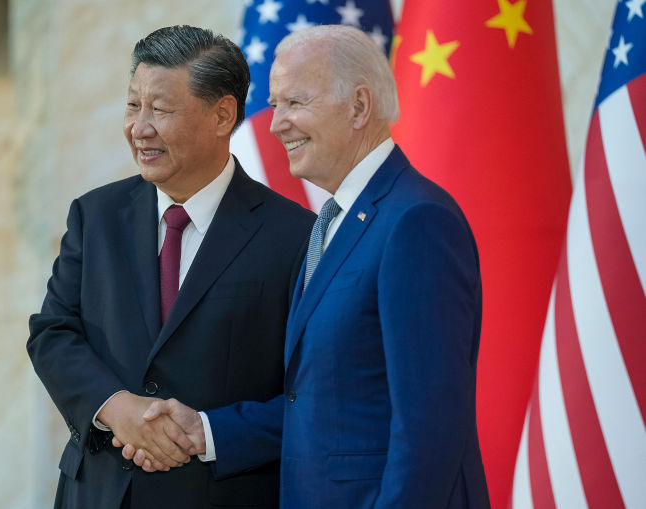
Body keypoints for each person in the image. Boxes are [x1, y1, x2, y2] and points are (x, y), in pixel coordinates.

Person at [125, 25, 491, 508]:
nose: (275, 124)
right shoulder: (331, 222)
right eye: (275, 105)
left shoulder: (415, 221)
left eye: (294, 103)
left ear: (359, 107)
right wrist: (207, 431)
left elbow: (431, 426)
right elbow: (319, 400)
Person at [26, 25, 315, 509]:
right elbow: (52, 333)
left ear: (222, 115)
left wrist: (206, 433)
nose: (139, 127)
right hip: (97, 494)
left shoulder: (295, 237)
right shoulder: (94, 216)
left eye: (159, 109)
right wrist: (116, 409)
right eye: (133, 105)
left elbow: (312, 394)